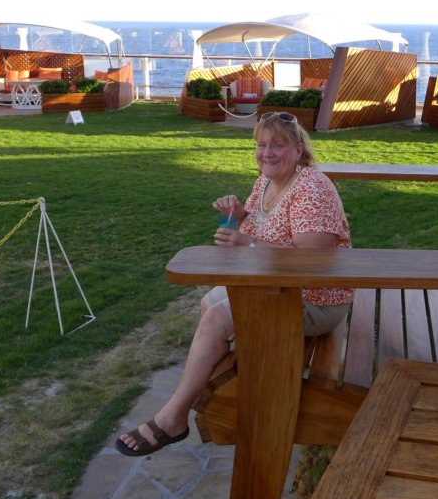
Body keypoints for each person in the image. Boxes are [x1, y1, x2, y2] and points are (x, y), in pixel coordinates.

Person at [116, 111, 353, 457]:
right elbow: (261, 229)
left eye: (277, 145)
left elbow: (314, 260)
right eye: (261, 145)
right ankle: (230, 383)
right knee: (210, 303)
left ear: (298, 149)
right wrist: (240, 216)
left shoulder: (312, 188)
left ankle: (174, 418)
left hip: (316, 298)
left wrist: (248, 244)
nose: (266, 153)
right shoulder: (265, 182)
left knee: (217, 318)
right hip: (276, 287)